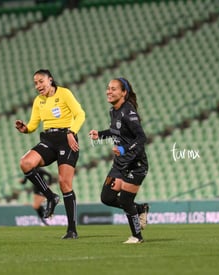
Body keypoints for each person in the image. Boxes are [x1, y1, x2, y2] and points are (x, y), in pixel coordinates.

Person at [15, 69, 85, 239]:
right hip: (48, 140)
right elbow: (33, 125)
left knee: (64, 184)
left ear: (50, 80)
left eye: (41, 81)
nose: (38, 85)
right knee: (25, 163)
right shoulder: (38, 101)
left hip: (66, 139)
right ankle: (50, 197)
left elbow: (80, 114)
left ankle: (72, 230)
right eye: (35, 83)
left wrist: (71, 132)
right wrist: (25, 129)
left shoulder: (64, 93)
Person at [89, 77, 149, 244]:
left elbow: (141, 137)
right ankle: (140, 209)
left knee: (125, 200)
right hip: (120, 163)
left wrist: (123, 149)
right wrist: (100, 134)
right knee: (107, 197)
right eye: (108, 88)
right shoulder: (113, 111)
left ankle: (137, 237)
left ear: (124, 93)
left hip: (136, 165)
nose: (109, 91)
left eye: (114, 88)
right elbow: (116, 131)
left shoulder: (129, 112)